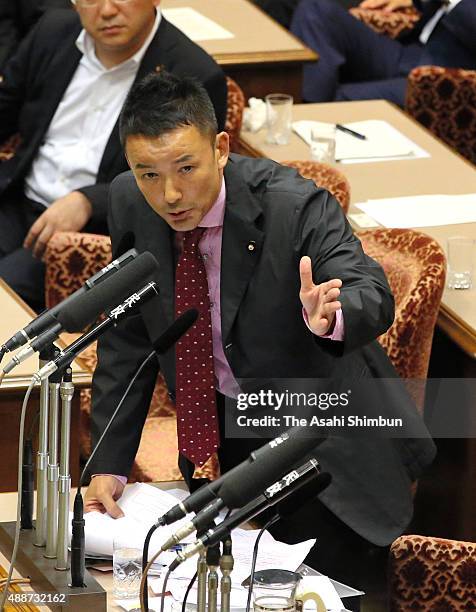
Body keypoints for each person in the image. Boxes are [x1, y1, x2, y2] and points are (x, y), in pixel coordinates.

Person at [83, 71, 436, 587]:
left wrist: (333, 315)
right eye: (148, 174)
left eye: (186, 167)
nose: (171, 193)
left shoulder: (293, 206)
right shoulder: (129, 201)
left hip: (326, 447)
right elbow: (130, 337)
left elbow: (370, 290)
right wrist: (108, 463)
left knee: (319, 595)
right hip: (236, 433)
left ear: (221, 148)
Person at [0, 0, 227, 311]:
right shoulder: (52, 32)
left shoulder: (191, 72)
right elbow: (5, 109)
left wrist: (89, 200)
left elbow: (185, 180)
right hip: (17, 199)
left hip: (90, 234)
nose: (106, 11)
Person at [290, 0, 476, 105]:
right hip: (408, 52)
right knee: (315, 10)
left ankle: (305, 115)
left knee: (338, 97)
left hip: (445, 79)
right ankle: (303, 109)